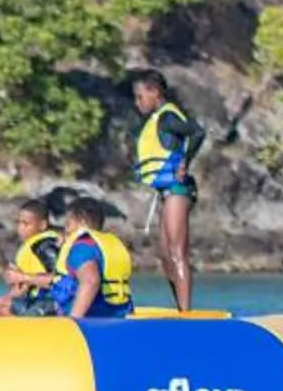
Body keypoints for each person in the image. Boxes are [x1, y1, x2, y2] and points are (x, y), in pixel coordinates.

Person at [130, 69, 205, 313]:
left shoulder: (168, 117)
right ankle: (179, 307)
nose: (138, 103)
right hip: (165, 192)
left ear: (155, 92)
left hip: (178, 189)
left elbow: (197, 132)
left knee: (176, 252)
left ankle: (186, 312)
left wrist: (185, 161)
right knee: (164, 255)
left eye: (140, 96)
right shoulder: (156, 120)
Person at [0, 197, 70, 316]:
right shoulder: (32, 246)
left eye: (26, 224)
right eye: (18, 223)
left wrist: (22, 277)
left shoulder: (44, 245)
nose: (20, 228)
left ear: (42, 225)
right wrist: (7, 297)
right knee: (2, 304)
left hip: (52, 302)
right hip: (36, 300)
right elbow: (24, 286)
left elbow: (60, 279)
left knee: (6, 307)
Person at [61, 195, 136, 320]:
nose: (65, 230)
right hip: (119, 318)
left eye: (68, 224)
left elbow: (90, 281)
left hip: (91, 321)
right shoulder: (106, 245)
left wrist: (73, 320)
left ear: (82, 223)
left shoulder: (82, 247)